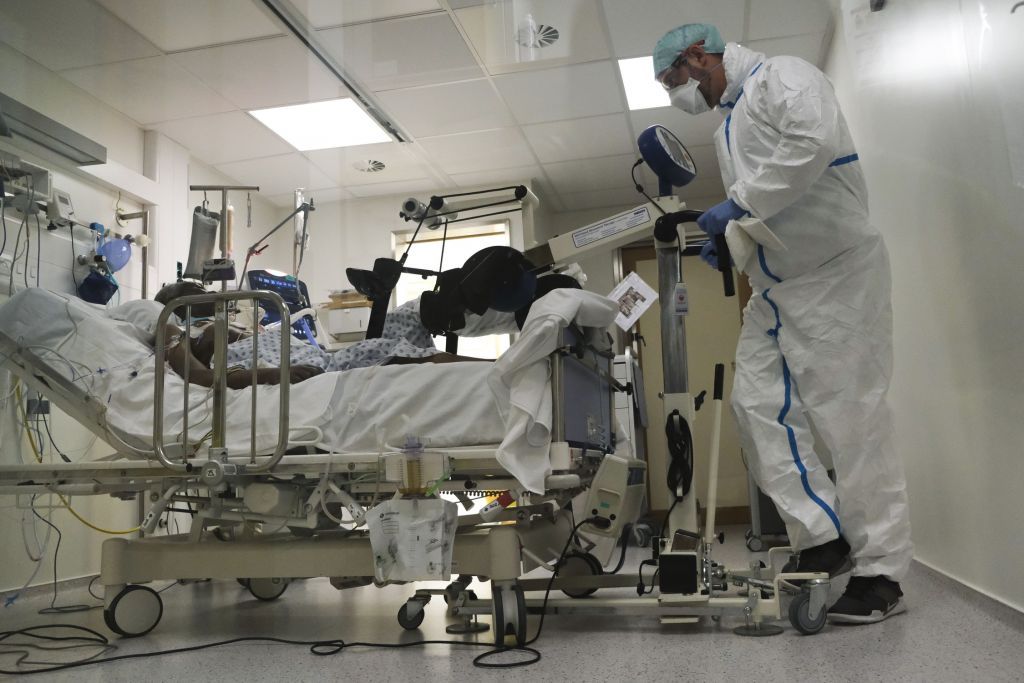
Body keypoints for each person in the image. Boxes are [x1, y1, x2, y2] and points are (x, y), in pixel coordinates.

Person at [652, 23, 912, 623]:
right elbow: (777, 202)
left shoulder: (783, 76)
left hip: (834, 275)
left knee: (853, 422)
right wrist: (735, 241)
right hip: (773, 289)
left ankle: (882, 574)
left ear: (698, 56)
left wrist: (738, 206)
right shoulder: (728, 125)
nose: (676, 94)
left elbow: (810, 144)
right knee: (755, 406)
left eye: (673, 80)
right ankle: (821, 535)